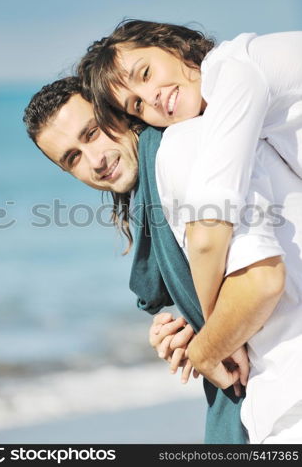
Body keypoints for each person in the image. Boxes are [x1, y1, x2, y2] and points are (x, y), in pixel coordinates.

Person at [23, 77, 302, 443]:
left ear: (117, 114)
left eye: (92, 133)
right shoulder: (152, 190)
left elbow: (258, 279)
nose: (95, 161)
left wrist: (207, 346)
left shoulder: (181, 150)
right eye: (73, 158)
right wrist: (184, 317)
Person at [78, 20, 302, 350]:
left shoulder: (235, 72)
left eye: (145, 73)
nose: (151, 98)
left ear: (173, 45)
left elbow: (212, 225)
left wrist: (215, 339)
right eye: (137, 105)